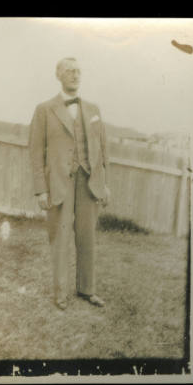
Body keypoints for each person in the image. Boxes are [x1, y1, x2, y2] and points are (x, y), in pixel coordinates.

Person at [30, 57, 110, 310]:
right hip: (58, 185)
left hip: (89, 183)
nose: (75, 75)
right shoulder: (44, 109)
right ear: (59, 75)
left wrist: (104, 183)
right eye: (69, 71)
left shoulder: (94, 109)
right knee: (60, 239)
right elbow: (35, 152)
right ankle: (60, 293)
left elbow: (103, 151)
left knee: (87, 237)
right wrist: (41, 189)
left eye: (78, 71)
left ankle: (87, 289)